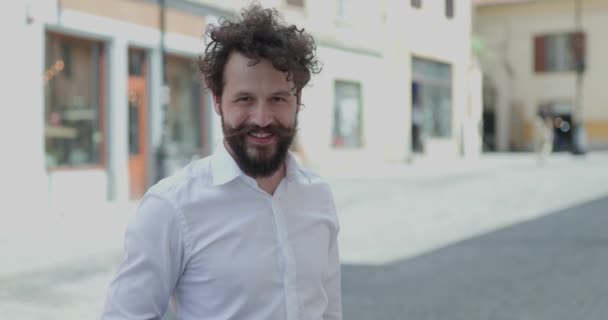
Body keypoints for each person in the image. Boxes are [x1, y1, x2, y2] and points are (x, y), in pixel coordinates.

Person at [102, 5, 342, 320]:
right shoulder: (171, 207)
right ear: (217, 101)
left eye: (278, 99)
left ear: (297, 101)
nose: (262, 118)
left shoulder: (319, 197)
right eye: (245, 99)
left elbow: (329, 313)